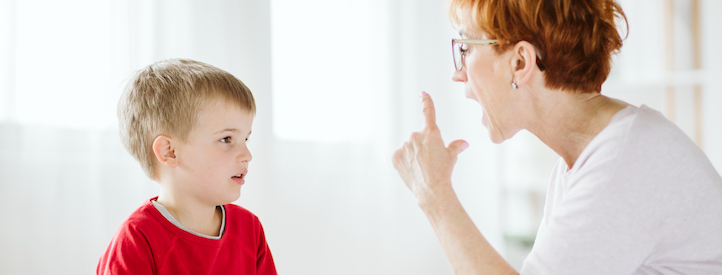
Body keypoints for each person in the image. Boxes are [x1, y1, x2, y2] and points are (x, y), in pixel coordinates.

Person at [392, 0, 722, 274]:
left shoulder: (625, 162)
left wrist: (433, 193)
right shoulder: (586, 160)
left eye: (466, 47)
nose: (458, 72)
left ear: (520, 61)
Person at [97, 59, 277, 274]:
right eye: (227, 139)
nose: (247, 155)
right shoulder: (138, 238)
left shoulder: (249, 229)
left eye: (245, 140)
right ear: (169, 152)